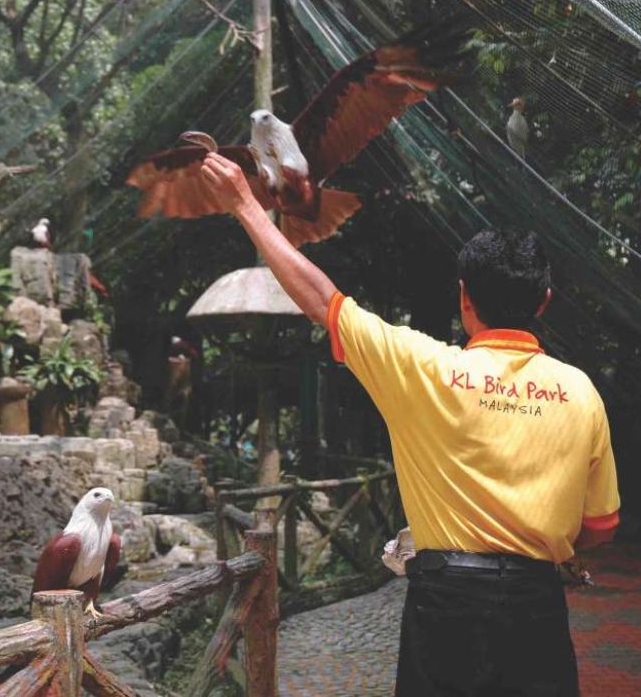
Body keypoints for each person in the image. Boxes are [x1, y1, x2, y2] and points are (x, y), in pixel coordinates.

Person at [199, 152, 620, 696]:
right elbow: (601, 527)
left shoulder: (422, 367)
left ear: (464, 298)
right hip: (537, 605)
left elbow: (322, 300)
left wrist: (245, 205)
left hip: (445, 604)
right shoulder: (581, 392)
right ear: (543, 302)